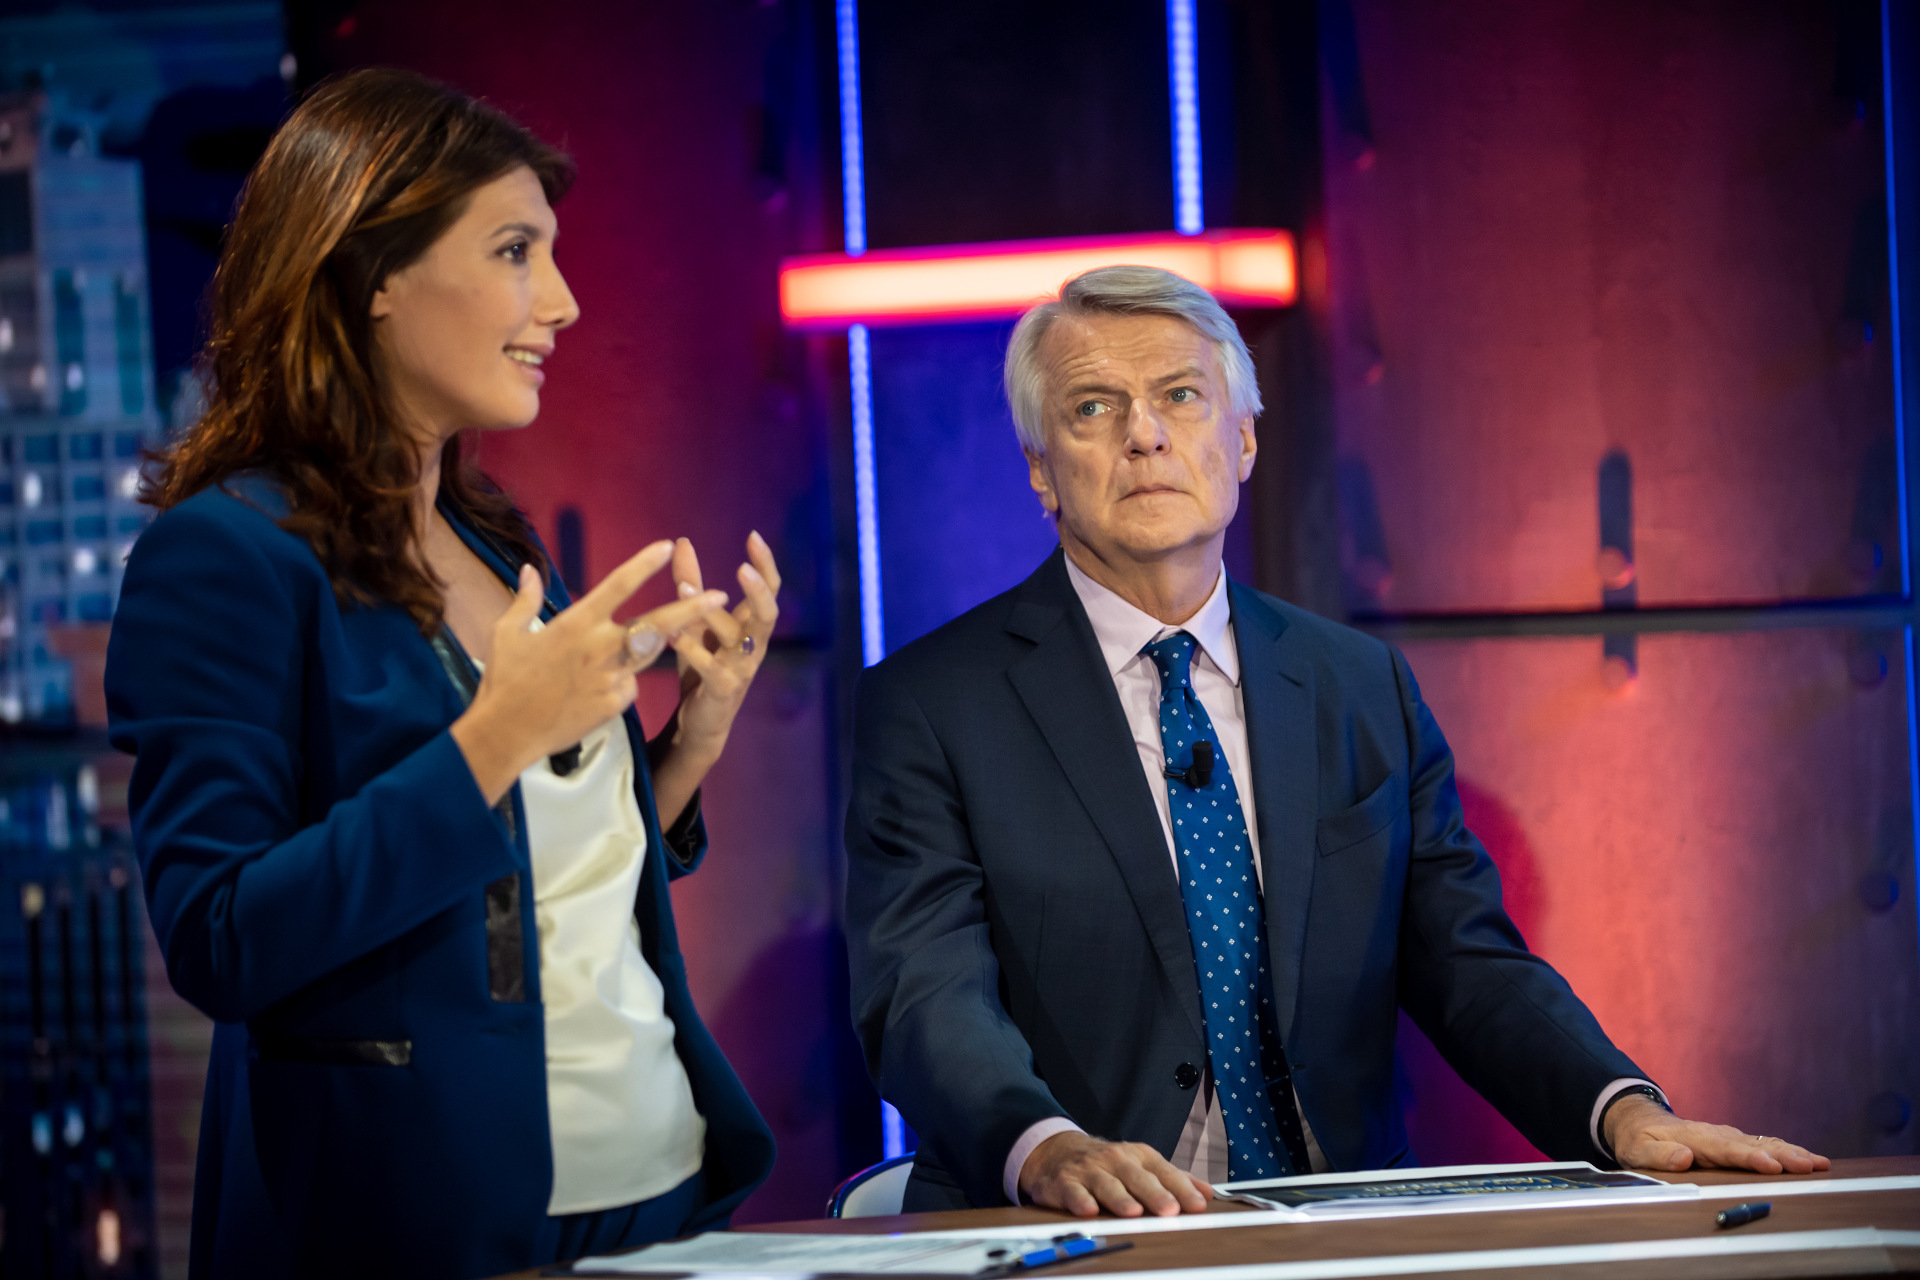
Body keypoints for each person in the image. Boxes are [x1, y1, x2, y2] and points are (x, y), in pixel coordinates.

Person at [843, 264, 1827, 1216]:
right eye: (1094, 408)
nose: (1145, 435)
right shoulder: (933, 704)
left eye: (1181, 396)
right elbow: (925, 991)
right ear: (1040, 470)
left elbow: (1465, 957)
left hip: (1343, 1215)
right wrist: (1044, 1144)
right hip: (1081, 1231)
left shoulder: (1360, 683)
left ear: (1243, 441)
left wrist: (1621, 1111)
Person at [105, 69, 780, 1277]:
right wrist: (493, 738)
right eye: (516, 251)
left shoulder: (494, 538)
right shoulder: (225, 553)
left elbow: (548, 870)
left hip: (662, 1181)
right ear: (372, 273)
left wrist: (693, 735)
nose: (563, 302)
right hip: (432, 1218)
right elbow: (220, 936)